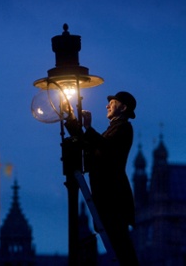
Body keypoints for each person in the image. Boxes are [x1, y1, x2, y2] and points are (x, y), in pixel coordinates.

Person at [80, 91, 139, 265]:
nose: (107, 106)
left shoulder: (123, 128)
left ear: (123, 107)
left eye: (112, 103)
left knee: (120, 245)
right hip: (106, 194)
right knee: (116, 243)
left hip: (112, 196)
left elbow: (106, 149)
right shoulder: (114, 128)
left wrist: (88, 128)